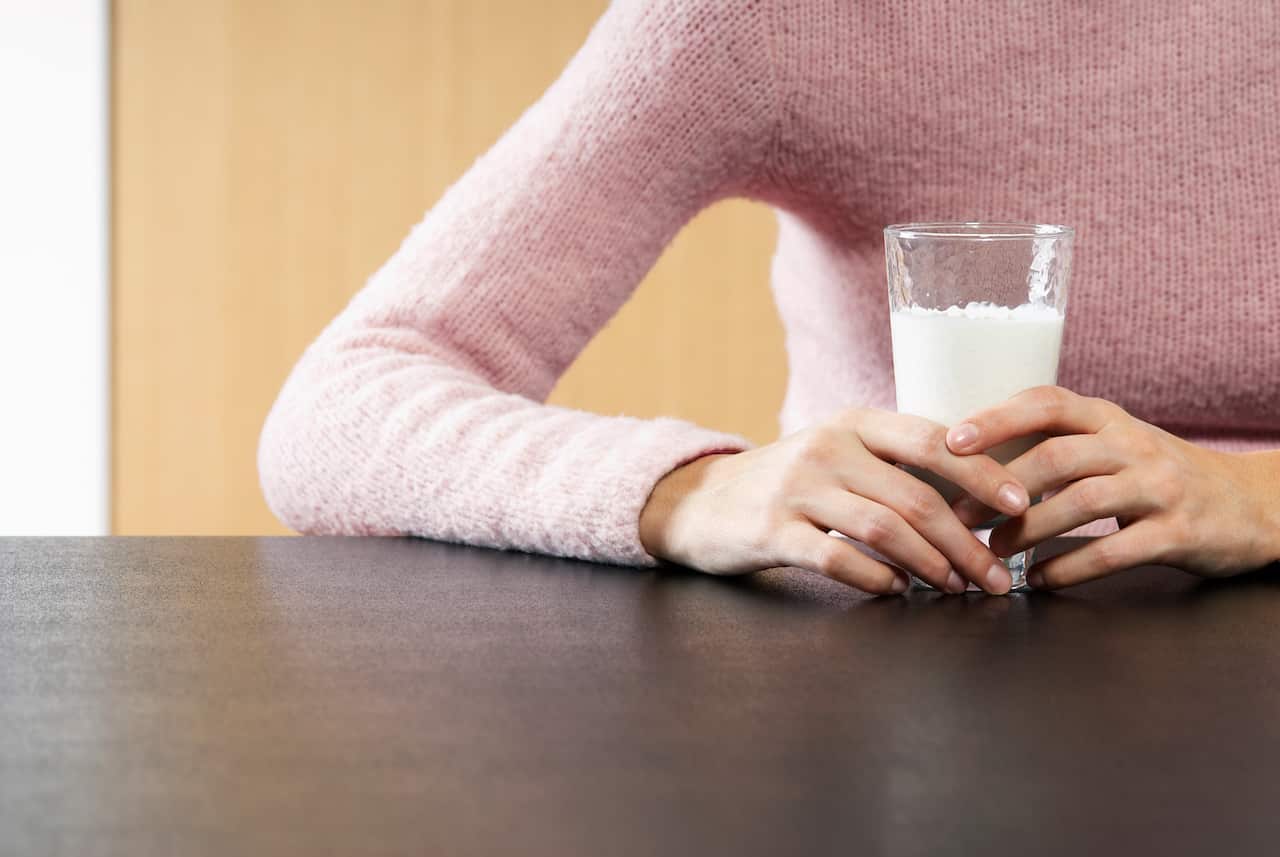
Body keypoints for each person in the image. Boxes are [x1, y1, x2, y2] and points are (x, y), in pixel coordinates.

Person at [259, 0, 1280, 596]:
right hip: (898, 661)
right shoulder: (764, 19)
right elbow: (336, 414)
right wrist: (686, 489)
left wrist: (1257, 497)